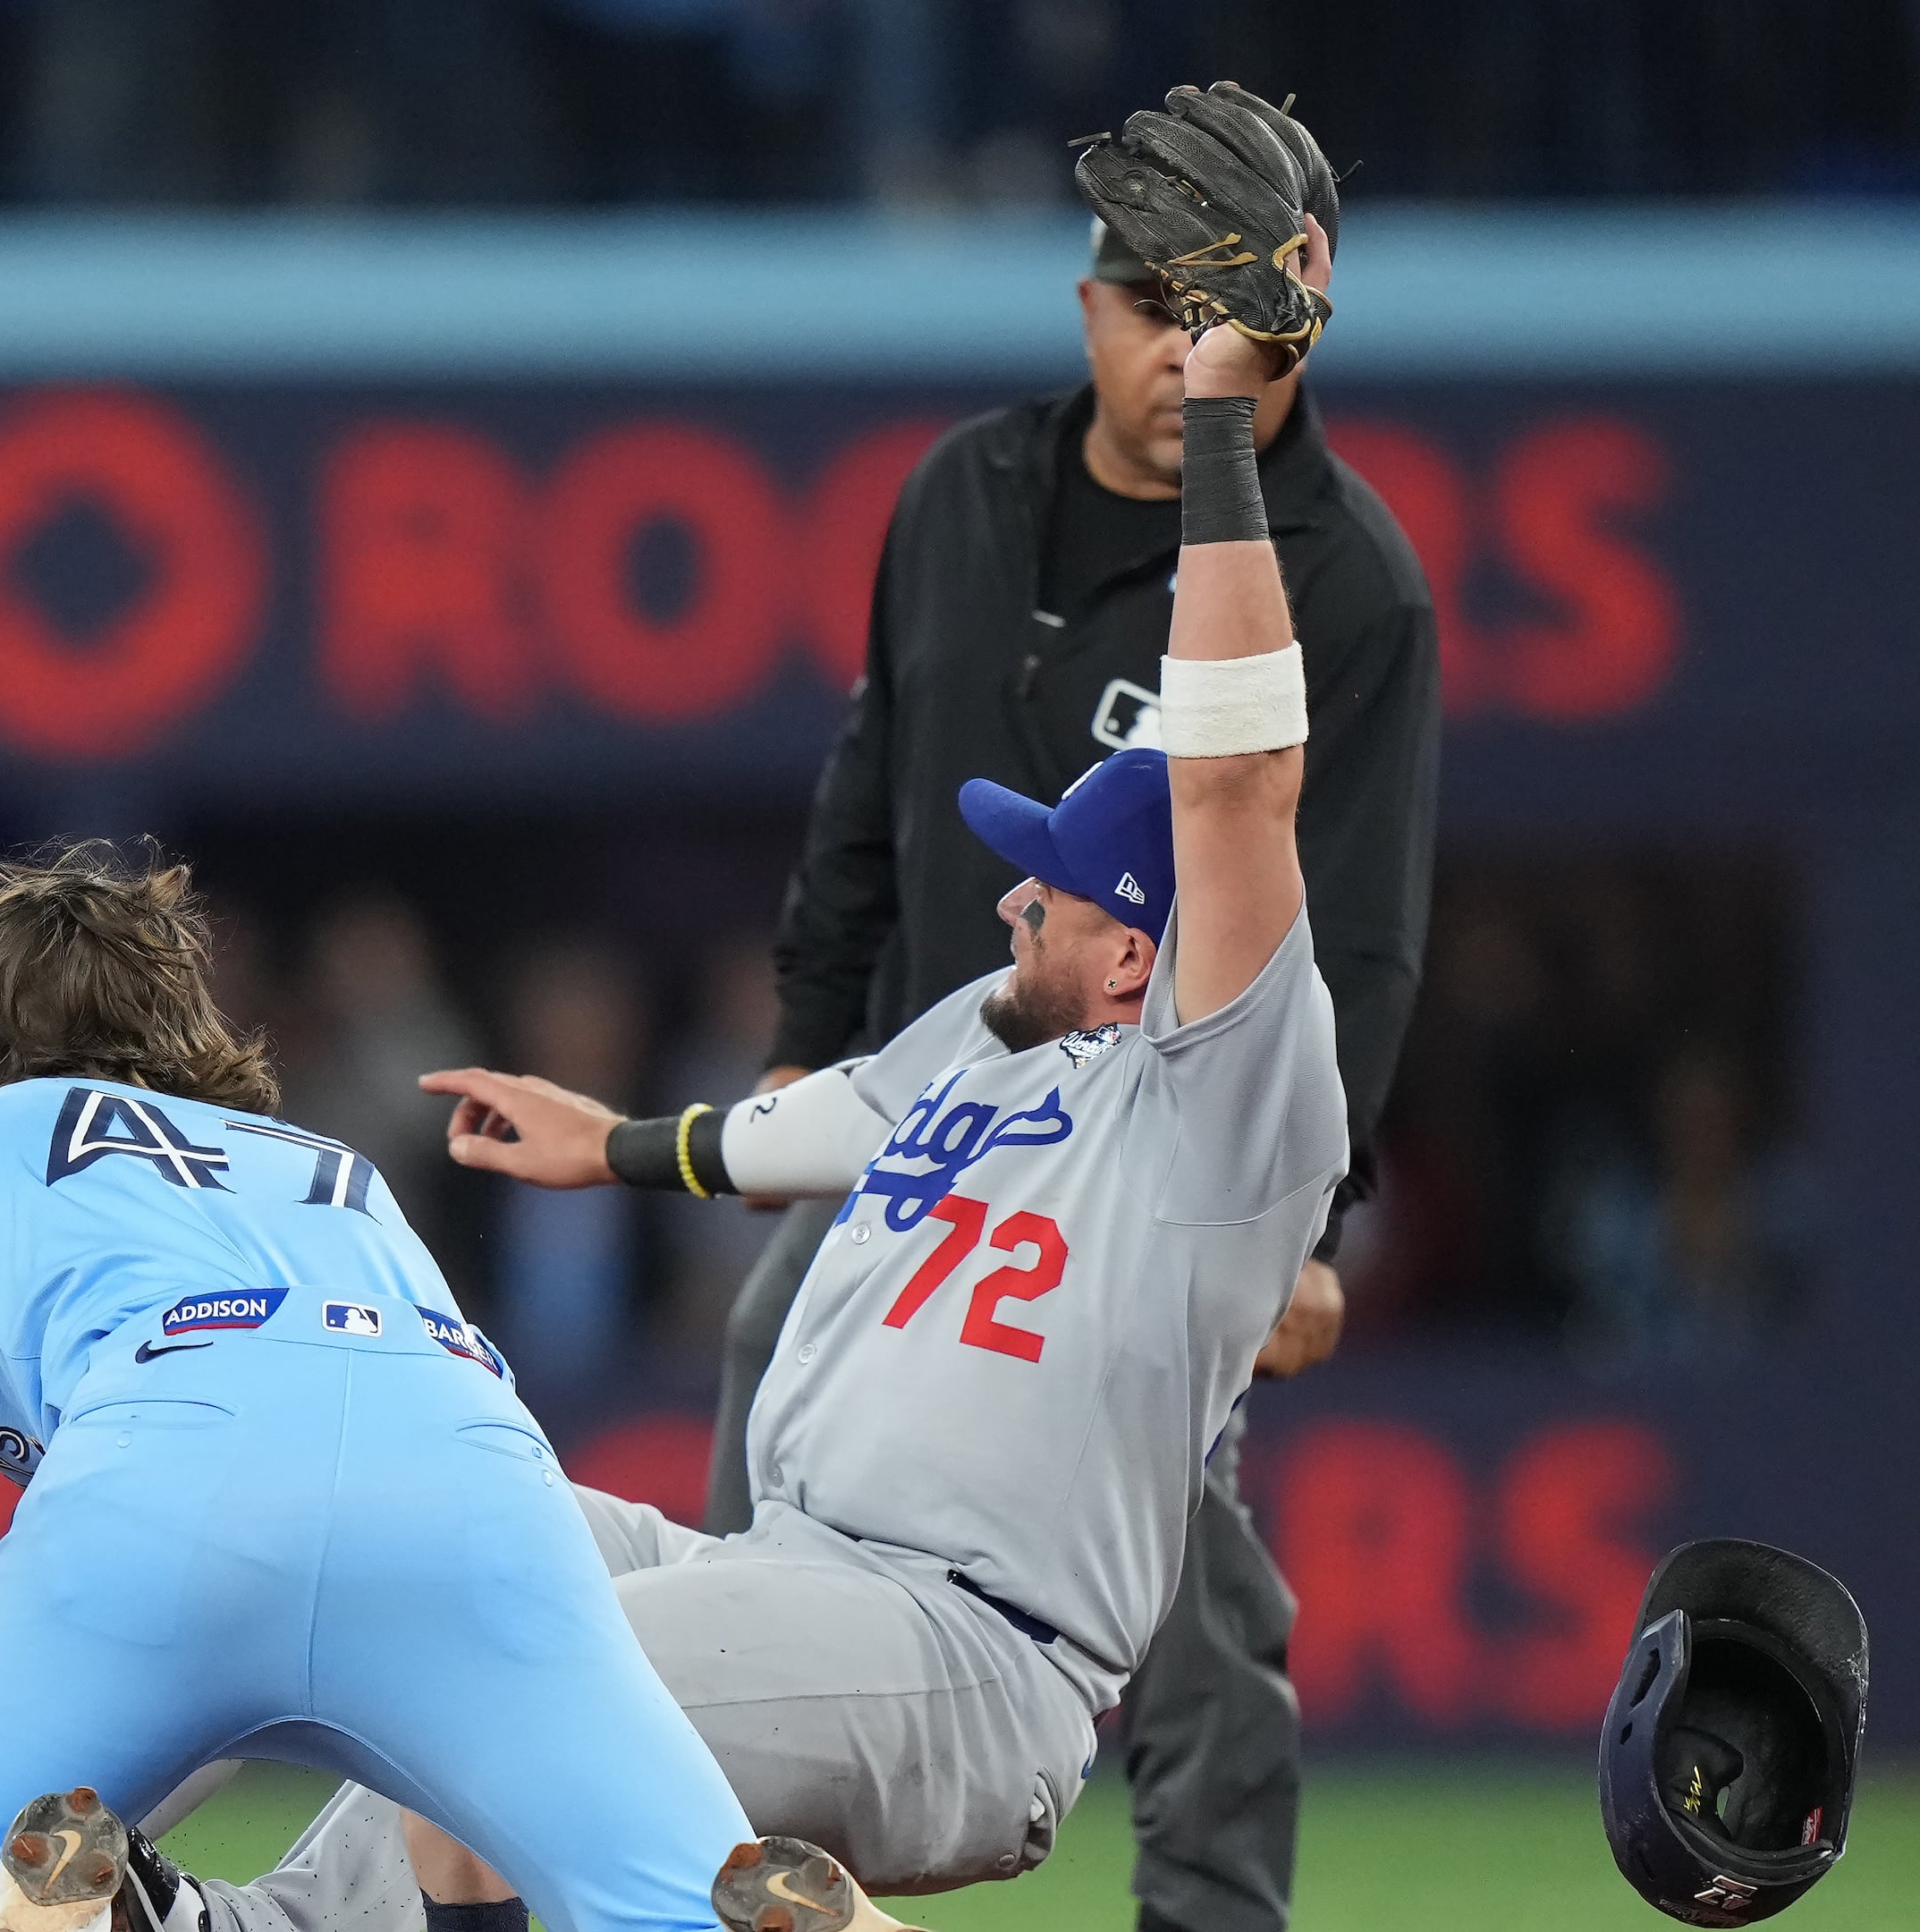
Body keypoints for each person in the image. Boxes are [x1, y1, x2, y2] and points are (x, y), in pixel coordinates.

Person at [183, 313, 1345, 1932]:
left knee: (512, 1698)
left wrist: (1222, 426)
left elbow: (1241, 787)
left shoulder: (1219, 1112)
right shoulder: (988, 1042)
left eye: (1058, 888)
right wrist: (616, 1146)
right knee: (374, 1527)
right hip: (771, 1569)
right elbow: (825, 1127)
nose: (1015, 894)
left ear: (1143, 948)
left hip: (961, 1644)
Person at [735, 123, 1438, 1932]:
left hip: (1138, 1193)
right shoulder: (960, 488)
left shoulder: (1340, 578)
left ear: (1279, 326)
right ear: (1086, 305)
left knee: (1184, 1621)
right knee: (769, 1519)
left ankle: (1211, 1919)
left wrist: (1298, 1214)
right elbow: (868, 780)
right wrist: (805, 1043)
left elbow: (1351, 930)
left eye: (1191, 305)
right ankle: (734, 1872)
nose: (1154, 341)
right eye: (1135, 299)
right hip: (917, 1132)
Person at [0, 842, 875, 1932]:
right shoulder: (333, 1173)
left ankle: (12, 1911)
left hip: (169, 1479)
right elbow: (459, 1809)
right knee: (695, 1890)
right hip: (481, 1492)